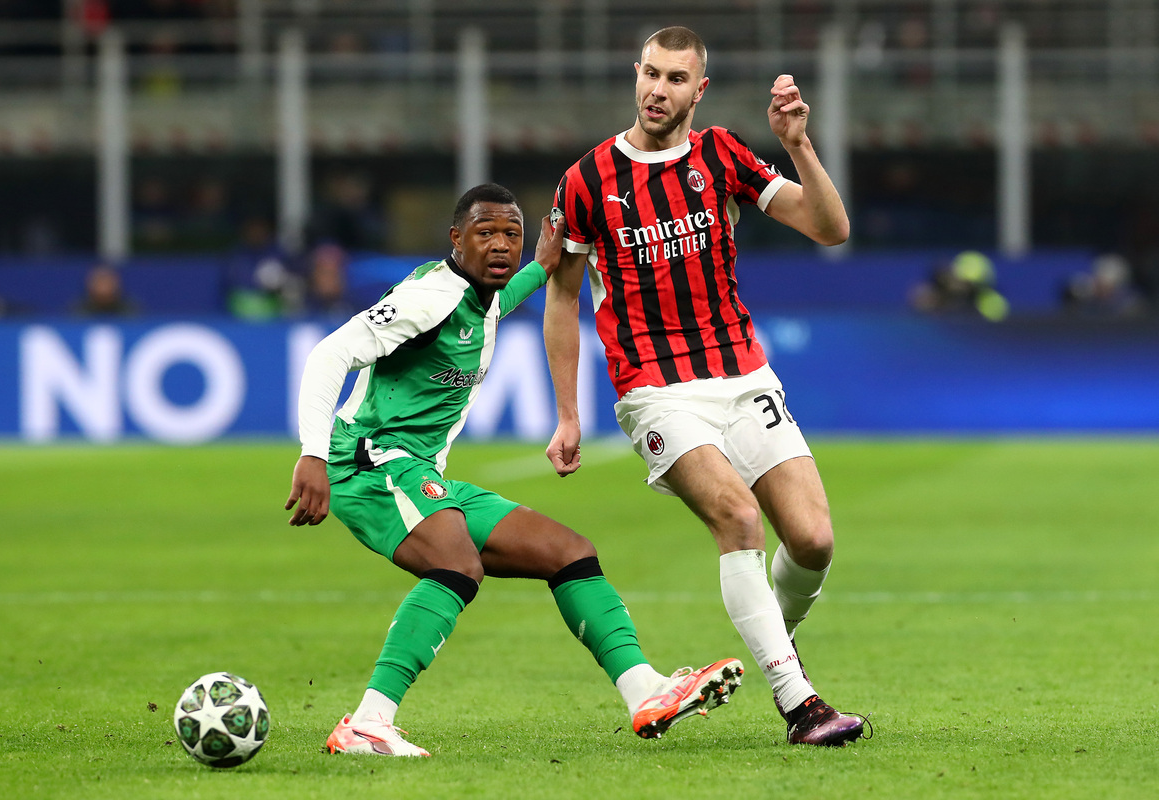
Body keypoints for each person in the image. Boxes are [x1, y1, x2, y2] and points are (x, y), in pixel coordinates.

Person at [285, 183, 744, 758]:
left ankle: (645, 691)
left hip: (420, 469)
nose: (501, 245)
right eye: (486, 233)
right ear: (456, 239)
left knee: (568, 551)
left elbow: (510, 292)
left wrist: (545, 260)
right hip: (370, 460)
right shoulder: (432, 297)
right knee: (456, 563)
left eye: (511, 234)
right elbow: (330, 353)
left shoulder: (486, 296)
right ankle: (368, 723)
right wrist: (313, 453)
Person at [544, 26, 868, 747]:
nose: (658, 90)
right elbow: (562, 298)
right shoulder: (586, 181)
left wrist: (797, 143)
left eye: (675, 79)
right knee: (737, 518)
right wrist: (568, 414)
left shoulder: (721, 155)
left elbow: (830, 226)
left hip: (742, 372)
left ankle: (774, 642)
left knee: (813, 540)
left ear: (700, 90)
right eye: (650, 74)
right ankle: (801, 704)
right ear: (636, 74)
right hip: (655, 388)